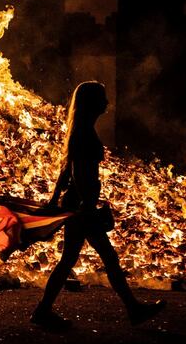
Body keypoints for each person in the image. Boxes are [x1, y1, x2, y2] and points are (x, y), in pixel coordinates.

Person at [31, 81, 166, 329]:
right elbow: (78, 172)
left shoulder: (81, 130)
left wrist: (56, 199)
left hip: (78, 205)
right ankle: (133, 309)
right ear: (92, 103)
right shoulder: (84, 133)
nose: (106, 102)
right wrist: (87, 206)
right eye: (102, 97)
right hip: (82, 208)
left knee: (70, 259)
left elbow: (66, 170)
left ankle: (43, 311)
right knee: (106, 257)